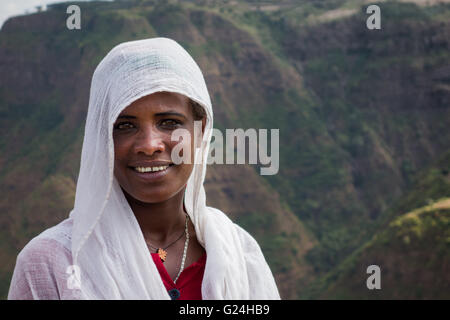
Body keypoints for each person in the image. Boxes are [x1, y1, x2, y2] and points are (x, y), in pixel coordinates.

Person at [7, 37, 280, 300]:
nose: (149, 145)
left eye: (169, 122)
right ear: (101, 140)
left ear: (201, 132)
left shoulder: (239, 254)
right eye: (125, 125)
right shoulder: (52, 264)